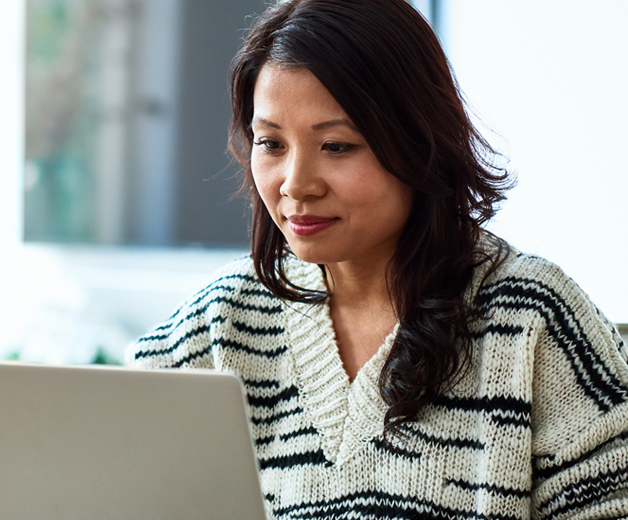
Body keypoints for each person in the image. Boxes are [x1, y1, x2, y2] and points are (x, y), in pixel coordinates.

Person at [126, 1, 628, 518]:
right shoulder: (222, 319)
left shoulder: (533, 320)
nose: (296, 184)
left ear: (419, 141)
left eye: (337, 146)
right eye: (271, 143)